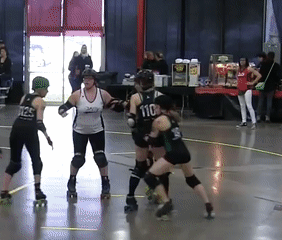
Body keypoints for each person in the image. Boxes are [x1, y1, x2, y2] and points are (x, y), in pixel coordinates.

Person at [141, 96, 214, 220]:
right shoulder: (173, 117)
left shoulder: (159, 120)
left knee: (150, 176)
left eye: (156, 107)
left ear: (159, 107)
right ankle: (208, 205)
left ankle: (166, 202)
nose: (154, 110)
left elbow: (152, 140)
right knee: (191, 179)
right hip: (184, 151)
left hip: (173, 153)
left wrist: (144, 136)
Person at [58, 68, 118, 200]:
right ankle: (72, 181)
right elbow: (65, 106)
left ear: (94, 80)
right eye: (85, 78)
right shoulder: (77, 94)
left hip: (97, 130)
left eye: (89, 78)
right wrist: (62, 110)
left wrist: (123, 105)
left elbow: (114, 104)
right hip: (80, 131)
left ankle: (105, 182)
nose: (86, 81)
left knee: (100, 158)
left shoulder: (102, 94)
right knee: (78, 159)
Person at [0, 77, 53, 206]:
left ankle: (4, 191)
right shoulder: (40, 102)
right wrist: (47, 137)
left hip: (16, 129)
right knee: (36, 161)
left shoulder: (24, 97)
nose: (47, 91)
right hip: (29, 131)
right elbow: (39, 123)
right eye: (46, 89)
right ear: (41, 89)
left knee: (15, 163)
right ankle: (38, 191)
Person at [124, 69, 169, 213]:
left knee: (140, 166)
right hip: (157, 135)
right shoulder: (159, 96)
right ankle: (164, 198)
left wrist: (135, 130)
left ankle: (131, 198)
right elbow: (166, 117)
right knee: (162, 167)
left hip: (142, 135)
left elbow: (131, 120)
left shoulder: (136, 97)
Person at [236, 58, 261, 129]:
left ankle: (254, 122)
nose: (242, 62)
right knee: (242, 106)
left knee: (249, 105)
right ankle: (244, 121)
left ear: (246, 61)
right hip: (240, 89)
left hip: (247, 89)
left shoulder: (249, 69)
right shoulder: (238, 69)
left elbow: (259, 75)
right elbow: (237, 77)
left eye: (243, 61)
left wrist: (253, 82)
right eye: (241, 61)